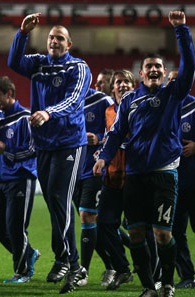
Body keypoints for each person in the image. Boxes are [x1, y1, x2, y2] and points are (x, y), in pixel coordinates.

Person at [93, 11, 195, 297]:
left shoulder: (174, 93)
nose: (153, 70)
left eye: (158, 67)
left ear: (164, 73)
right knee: (136, 234)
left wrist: (181, 31)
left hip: (164, 173)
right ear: (141, 73)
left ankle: (168, 283)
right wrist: (104, 155)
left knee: (163, 234)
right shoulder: (130, 101)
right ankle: (149, 287)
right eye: (148, 66)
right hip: (135, 175)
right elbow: (116, 133)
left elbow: (189, 66)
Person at [8, 13, 91, 294]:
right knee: (57, 205)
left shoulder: (79, 67)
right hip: (44, 145)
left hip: (70, 143)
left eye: (60, 38)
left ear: (69, 44)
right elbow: (13, 62)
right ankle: (65, 260)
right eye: (51, 37)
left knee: (59, 198)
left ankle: (74, 265)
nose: (54, 41)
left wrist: (47, 112)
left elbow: (74, 99)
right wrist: (22, 33)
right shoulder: (39, 64)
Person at [0, 76, 39, 284]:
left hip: (21, 177)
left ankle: (22, 272)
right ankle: (28, 252)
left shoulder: (25, 117)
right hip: (0, 179)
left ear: (9, 94)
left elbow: (33, 150)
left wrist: (7, 150)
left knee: (15, 227)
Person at [96, 69, 136, 291]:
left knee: (141, 228)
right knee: (104, 224)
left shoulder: (140, 108)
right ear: (113, 88)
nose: (122, 85)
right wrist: (101, 153)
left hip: (134, 176)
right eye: (118, 82)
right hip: (112, 176)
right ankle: (123, 268)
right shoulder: (109, 111)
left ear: (133, 86)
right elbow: (108, 137)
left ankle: (155, 274)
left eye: (126, 82)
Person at [72, 86, 113, 286]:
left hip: (94, 169)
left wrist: (98, 137)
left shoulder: (102, 101)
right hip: (73, 169)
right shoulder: (66, 101)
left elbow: (115, 130)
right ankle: (115, 265)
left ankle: (84, 272)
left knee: (86, 216)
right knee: (90, 222)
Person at [168, 69, 195, 290]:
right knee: (175, 231)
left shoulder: (194, 106)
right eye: (169, 80)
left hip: (193, 180)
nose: (171, 84)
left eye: (175, 80)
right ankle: (187, 275)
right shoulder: (165, 108)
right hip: (171, 182)